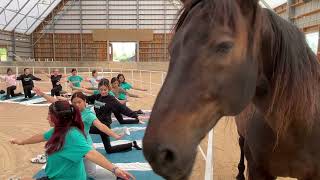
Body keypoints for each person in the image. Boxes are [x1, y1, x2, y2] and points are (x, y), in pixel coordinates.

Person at [10, 100, 134, 180]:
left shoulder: (71, 134)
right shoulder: (58, 130)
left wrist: (114, 169)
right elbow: (41, 136)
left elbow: (91, 153)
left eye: (49, 115)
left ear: (58, 118)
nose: (46, 118)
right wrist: (21, 142)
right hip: (55, 177)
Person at [33, 87, 127, 178]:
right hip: (72, 144)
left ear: (85, 102)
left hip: (85, 145)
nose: (77, 105)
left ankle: (114, 176)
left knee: (91, 173)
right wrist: (42, 94)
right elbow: (55, 102)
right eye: (74, 103)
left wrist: (114, 135)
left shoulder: (88, 115)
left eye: (79, 102)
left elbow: (101, 126)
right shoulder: (70, 111)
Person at [86, 79, 143, 154]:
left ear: (109, 89)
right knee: (109, 150)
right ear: (99, 89)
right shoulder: (97, 96)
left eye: (105, 90)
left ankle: (83, 149)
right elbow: (86, 98)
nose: (103, 92)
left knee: (83, 128)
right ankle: (132, 144)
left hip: (104, 126)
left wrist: (135, 115)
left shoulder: (111, 99)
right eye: (101, 90)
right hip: (98, 124)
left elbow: (123, 109)